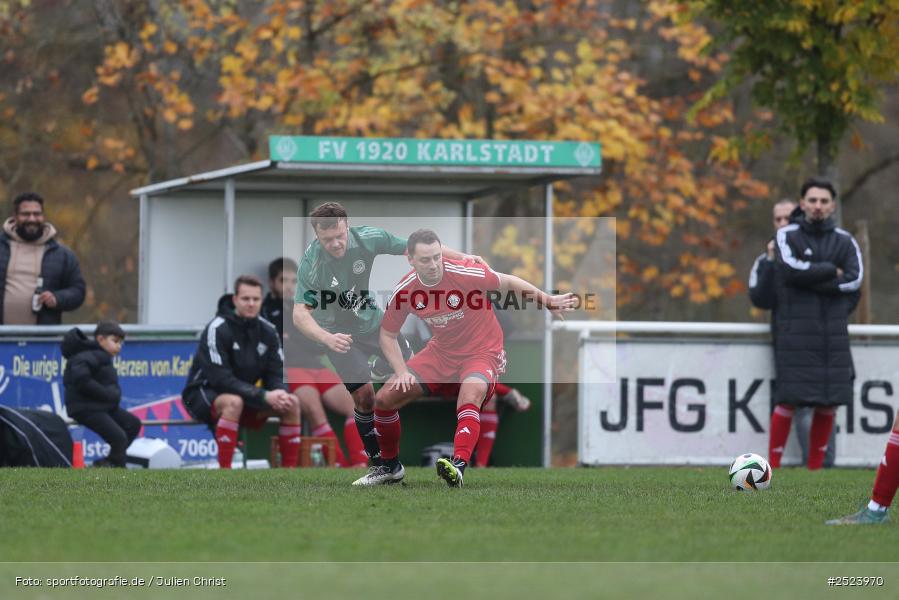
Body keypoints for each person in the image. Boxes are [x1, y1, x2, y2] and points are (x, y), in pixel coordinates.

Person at [353, 229, 575, 487]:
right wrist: (401, 370)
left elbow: (509, 282)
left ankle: (457, 466)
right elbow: (388, 335)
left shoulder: (465, 273)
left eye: (437, 257)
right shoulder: (405, 290)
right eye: (425, 260)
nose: (433, 264)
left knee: (470, 396)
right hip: (441, 352)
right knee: (384, 399)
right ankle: (390, 468)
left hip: (482, 351)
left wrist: (547, 300)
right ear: (410, 260)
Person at [292, 202, 485, 470]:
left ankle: (379, 368)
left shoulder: (368, 238)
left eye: (339, 236)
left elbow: (418, 250)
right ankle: (379, 463)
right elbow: (299, 314)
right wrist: (326, 338)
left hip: (371, 322)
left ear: (348, 227)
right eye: (327, 240)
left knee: (409, 365)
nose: (335, 244)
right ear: (317, 236)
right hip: (338, 337)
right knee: (365, 398)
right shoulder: (312, 263)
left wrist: (465, 258)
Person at [766, 177, 862, 470]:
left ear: (832, 205)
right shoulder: (787, 235)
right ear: (802, 203)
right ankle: (772, 466)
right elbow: (789, 271)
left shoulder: (846, 241)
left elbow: (854, 280)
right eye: (812, 200)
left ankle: (816, 469)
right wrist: (831, 271)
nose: (818, 206)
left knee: (828, 401)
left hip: (832, 334)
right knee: (788, 399)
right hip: (796, 333)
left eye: (823, 201)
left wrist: (812, 282)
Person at [750, 199, 837, 467]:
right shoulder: (766, 259)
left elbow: (843, 287)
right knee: (793, 402)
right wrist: (771, 261)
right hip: (788, 341)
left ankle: (822, 465)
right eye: (777, 219)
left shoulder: (816, 255)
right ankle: (792, 465)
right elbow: (760, 299)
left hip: (821, 338)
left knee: (823, 402)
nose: (783, 224)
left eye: (788, 218)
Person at [182, 275, 301, 469]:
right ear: (235, 299)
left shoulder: (268, 330)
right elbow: (221, 379)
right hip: (202, 394)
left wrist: (279, 391)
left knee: (291, 402)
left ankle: (289, 473)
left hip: (244, 396)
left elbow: (276, 372)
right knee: (233, 402)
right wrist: (263, 395)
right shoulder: (217, 328)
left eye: (256, 299)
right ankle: (226, 472)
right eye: (246, 299)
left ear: (261, 300)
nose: (251, 304)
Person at [262, 257, 366, 467]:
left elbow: (318, 344)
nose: (289, 286)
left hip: (317, 366)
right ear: (272, 283)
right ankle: (339, 466)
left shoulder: (303, 307)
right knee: (316, 414)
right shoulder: (265, 309)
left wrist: (296, 336)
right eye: (284, 280)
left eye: (294, 281)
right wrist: (301, 337)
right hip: (290, 369)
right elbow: (282, 343)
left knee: (356, 404)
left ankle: (360, 464)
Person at [63, 320, 140, 467]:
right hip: (85, 408)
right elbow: (81, 380)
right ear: (100, 339)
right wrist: (107, 394)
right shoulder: (84, 356)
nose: (119, 346)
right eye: (115, 341)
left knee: (133, 424)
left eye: (121, 343)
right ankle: (117, 469)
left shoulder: (101, 357)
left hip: (101, 406)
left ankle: (108, 463)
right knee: (119, 438)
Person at [0, 192, 85, 324]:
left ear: (43, 216)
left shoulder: (62, 255)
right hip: (3, 335)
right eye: (25, 214)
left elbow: (78, 291)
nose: (32, 219)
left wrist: (57, 299)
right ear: (15, 217)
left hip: (43, 336)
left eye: (37, 214)